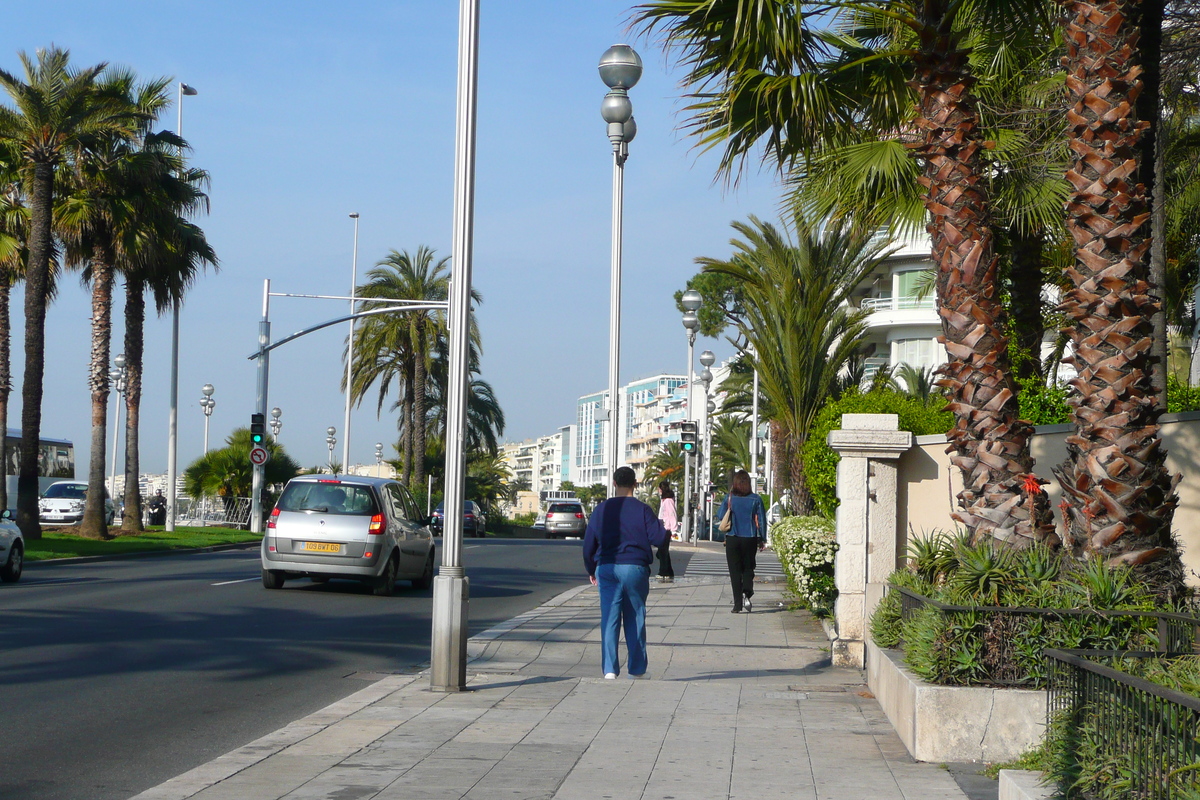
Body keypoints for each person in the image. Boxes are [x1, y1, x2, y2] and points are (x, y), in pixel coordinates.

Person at [583, 466, 668, 679]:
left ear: (614, 483)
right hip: (634, 567)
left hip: (607, 567)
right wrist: (662, 528)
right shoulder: (643, 510)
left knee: (609, 619)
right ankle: (637, 669)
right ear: (635, 484)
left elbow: (588, 546)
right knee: (635, 616)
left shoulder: (601, 509)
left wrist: (591, 569)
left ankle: (610, 669)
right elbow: (659, 539)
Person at [717, 469, 767, 613]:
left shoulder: (730, 498)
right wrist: (762, 538)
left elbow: (720, 515)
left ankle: (737, 605)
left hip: (732, 538)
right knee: (748, 568)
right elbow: (761, 520)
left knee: (734, 571)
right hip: (750, 538)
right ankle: (747, 591)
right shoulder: (756, 499)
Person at [655, 481, 677, 583]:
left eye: (659, 488)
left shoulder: (668, 501)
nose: (658, 491)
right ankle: (669, 571)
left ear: (662, 489)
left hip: (666, 528)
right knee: (663, 551)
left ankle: (663, 571)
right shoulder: (664, 500)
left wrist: (673, 529)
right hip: (662, 527)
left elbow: (672, 514)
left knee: (662, 551)